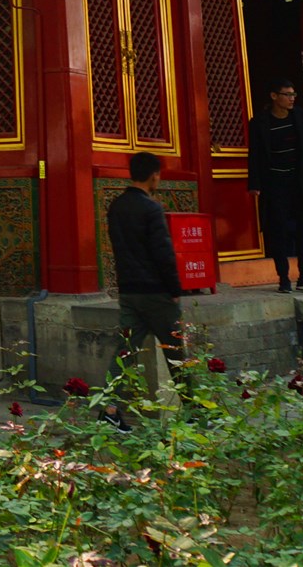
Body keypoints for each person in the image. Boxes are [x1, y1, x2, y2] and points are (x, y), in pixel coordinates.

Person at [101, 151, 186, 432]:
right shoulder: (151, 209)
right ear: (153, 175)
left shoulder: (116, 206)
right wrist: (175, 288)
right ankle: (198, 411)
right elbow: (163, 253)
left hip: (129, 291)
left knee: (125, 353)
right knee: (177, 353)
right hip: (156, 292)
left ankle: (110, 410)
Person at [247, 79, 303, 294]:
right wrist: (254, 183)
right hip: (275, 182)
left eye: (294, 94)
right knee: (277, 230)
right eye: (287, 94)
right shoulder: (259, 123)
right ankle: (283, 278)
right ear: (274, 96)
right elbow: (254, 155)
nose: (292, 98)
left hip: (299, 180)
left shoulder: (298, 116)